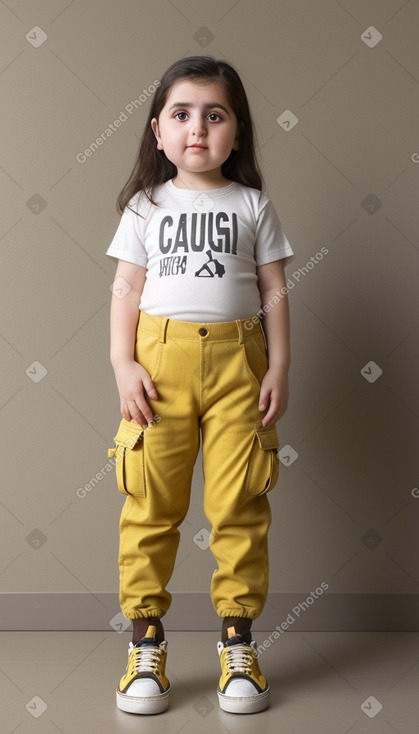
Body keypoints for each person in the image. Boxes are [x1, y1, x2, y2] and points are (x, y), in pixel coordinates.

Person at [106, 55, 294, 716]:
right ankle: (145, 644)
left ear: (236, 132)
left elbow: (273, 291)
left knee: (240, 504)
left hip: (240, 367)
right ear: (157, 131)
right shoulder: (144, 205)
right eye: (181, 115)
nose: (197, 129)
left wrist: (277, 367)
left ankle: (237, 641)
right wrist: (122, 365)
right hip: (159, 367)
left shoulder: (251, 205)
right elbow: (125, 290)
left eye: (214, 115)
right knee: (150, 506)